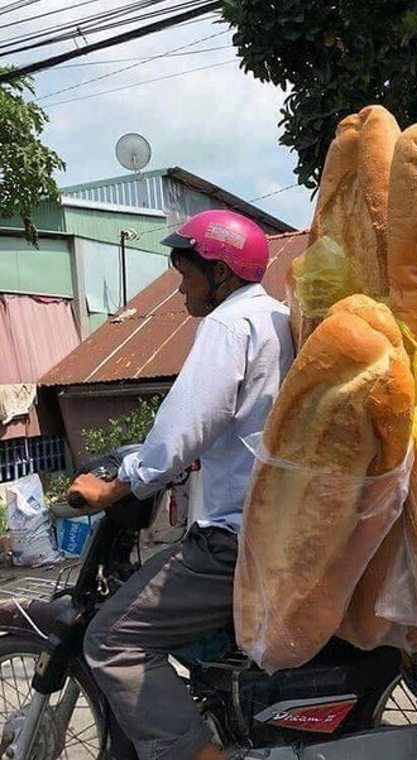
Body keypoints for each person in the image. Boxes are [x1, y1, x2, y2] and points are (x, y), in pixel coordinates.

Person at [67, 209, 295, 760]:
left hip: (233, 541)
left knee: (110, 640)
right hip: (280, 524)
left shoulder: (226, 325)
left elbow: (180, 430)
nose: (181, 292)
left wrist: (117, 486)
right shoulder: (280, 318)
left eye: (186, 277)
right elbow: (240, 422)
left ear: (221, 274)